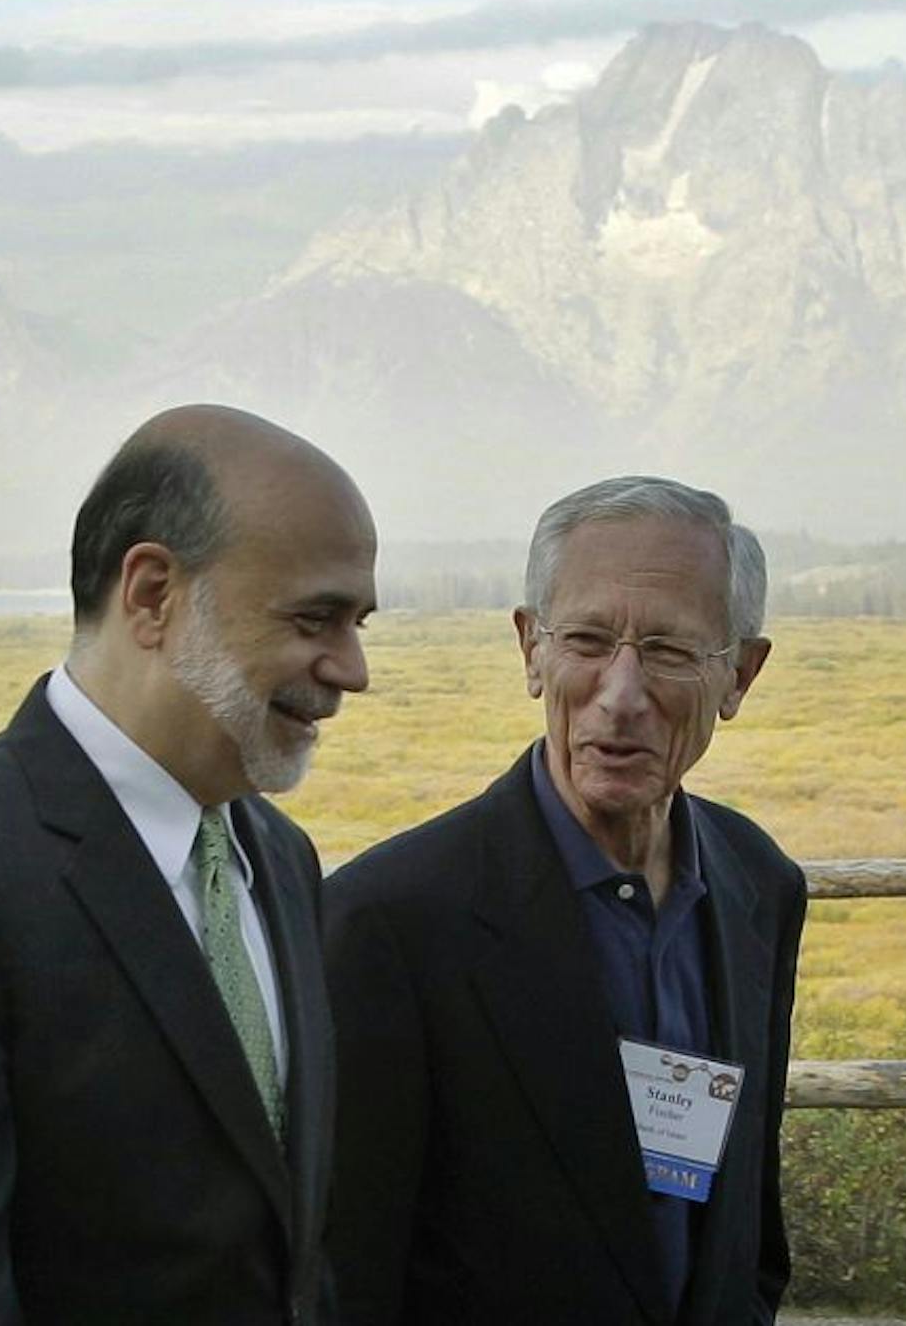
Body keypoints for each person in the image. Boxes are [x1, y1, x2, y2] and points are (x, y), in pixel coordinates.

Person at [0, 404, 378, 1325]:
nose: (352, 668)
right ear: (151, 595)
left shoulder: (279, 860)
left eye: (359, 624)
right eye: (316, 619)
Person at [324, 475, 804, 1326]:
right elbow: (349, 1276)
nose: (620, 696)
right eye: (586, 640)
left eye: (667, 651)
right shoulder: (388, 921)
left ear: (741, 676)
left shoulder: (757, 883)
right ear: (529, 651)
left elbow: (744, 1229)